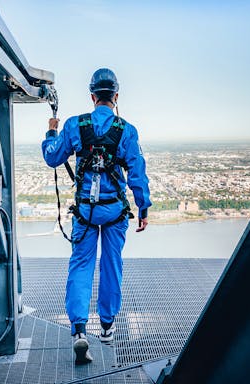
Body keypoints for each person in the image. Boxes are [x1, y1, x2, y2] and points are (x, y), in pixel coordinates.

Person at [41, 68, 151, 363]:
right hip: (114, 211)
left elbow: (52, 156)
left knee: (81, 265)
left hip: (86, 211)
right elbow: (138, 174)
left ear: (92, 96)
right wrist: (143, 208)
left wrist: (51, 131)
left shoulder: (76, 125)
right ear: (116, 96)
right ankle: (107, 327)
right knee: (111, 264)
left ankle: (79, 330)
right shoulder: (127, 131)